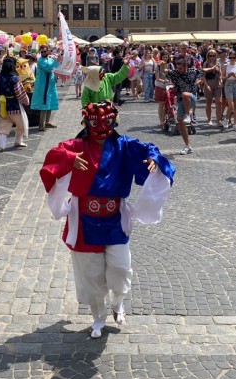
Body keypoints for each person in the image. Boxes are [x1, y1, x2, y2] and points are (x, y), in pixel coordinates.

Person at [39, 101, 174, 338]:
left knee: (121, 268)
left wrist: (155, 159)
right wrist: (69, 158)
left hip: (113, 219)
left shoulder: (123, 146)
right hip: (84, 220)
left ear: (115, 121)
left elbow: (149, 149)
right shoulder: (78, 145)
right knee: (91, 274)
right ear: (86, 122)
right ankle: (98, 316)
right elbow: (55, 154)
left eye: (107, 121)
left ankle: (118, 301)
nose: (101, 127)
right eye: (94, 122)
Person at [165, 56, 202, 155]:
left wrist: (197, 81)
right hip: (181, 100)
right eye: (177, 68)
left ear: (186, 67)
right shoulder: (175, 73)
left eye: (181, 68)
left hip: (192, 97)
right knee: (180, 121)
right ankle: (188, 146)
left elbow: (201, 73)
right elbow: (164, 70)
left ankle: (187, 115)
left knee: (185, 94)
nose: (178, 70)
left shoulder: (192, 71)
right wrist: (162, 63)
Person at [0, 57, 30, 151]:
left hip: (2, 105)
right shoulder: (15, 79)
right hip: (14, 106)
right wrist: (26, 101)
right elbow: (20, 93)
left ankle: (2, 146)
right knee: (21, 124)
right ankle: (18, 141)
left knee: (3, 125)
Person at [32, 45, 59, 131]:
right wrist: (56, 61)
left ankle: (47, 122)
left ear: (48, 51)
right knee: (44, 104)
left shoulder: (50, 59)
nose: (44, 53)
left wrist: (58, 60)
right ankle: (41, 124)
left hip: (50, 85)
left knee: (50, 103)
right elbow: (48, 68)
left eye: (45, 51)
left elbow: (56, 66)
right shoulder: (40, 61)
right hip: (43, 85)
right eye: (42, 52)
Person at [222, 51, 236, 131]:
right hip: (228, 84)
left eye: (233, 57)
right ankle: (226, 119)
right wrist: (228, 76)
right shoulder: (225, 66)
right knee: (230, 105)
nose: (232, 59)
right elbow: (222, 78)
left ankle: (235, 124)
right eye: (230, 57)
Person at [201, 50, 222, 126]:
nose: (212, 57)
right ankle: (209, 119)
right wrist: (206, 85)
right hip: (209, 82)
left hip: (217, 82)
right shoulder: (206, 64)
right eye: (210, 56)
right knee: (209, 102)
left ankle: (218, 120)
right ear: (208, 56)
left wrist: (220, 81)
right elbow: (203, 75)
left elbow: (220, 74)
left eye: (213, 55)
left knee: (218, 102)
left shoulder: (218, 63)